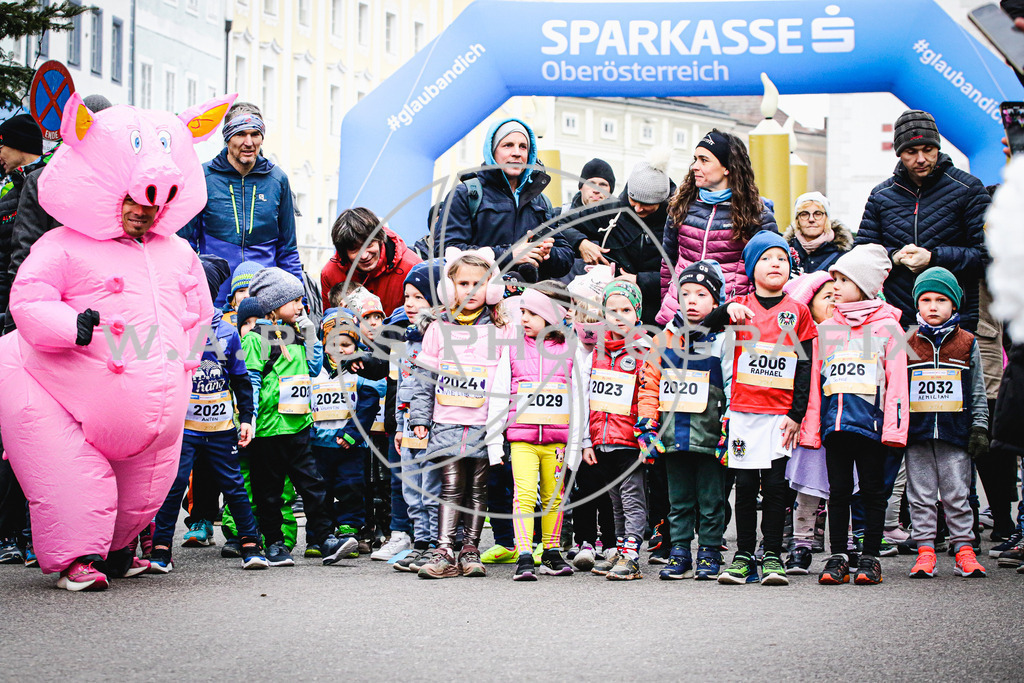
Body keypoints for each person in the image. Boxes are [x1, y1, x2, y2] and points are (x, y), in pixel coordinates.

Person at [0, 93, 231, 590]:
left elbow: (197, 309)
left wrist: (184, 356)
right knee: (72, 473)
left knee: (149, 472)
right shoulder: (62, 243)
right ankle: (76, 558)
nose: (143, 213)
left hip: (147, 391)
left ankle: (120, 547)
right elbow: (30, 297)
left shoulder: (178, 252)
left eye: (153, 205)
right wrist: (70, 326)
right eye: (133, 202)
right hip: (52, 384)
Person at [148, 255, 268, 573]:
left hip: (220, 427)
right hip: (184, 429)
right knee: (173, 484)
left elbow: (242, 379)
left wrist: (247, 418)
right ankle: (160, 550)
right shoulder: (172, 329)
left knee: (233, 484)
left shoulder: (228, 332)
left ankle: (251, 546)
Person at [803, 244, 909, 586]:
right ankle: (838, 556)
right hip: (835, 425)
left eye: (843, 280)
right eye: (833, 278)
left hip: (872, 426)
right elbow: (817, 383)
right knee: (838, 491)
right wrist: (812, 428)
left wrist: (894, 429)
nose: (834, 286)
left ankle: (871, 556)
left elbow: (897, 384)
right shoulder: (826, 329)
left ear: (863, 286)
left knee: (873, 491)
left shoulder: (887, 328)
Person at [715, 231, 816, 586]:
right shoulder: (741, 306)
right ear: (751, 267)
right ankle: (743, 556)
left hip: (779, 416)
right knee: (744, 486)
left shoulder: (798, 312)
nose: (776, 264)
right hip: (744, 413)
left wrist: (796, 414)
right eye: (767, 259)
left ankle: (772, 553)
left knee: (774, 487)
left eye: (783, 259)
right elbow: (700, 324)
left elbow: (804, 367)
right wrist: (726, 308)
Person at [408, 248, 509, 579]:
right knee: (451, 485)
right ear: (449, 288)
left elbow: (513, 377)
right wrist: (419, 419)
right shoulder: (438, 329)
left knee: (479, 489)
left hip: (484, 423)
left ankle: (471, 548)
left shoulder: (502, 327)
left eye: (479, 283)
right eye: (463, 283)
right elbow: (424, 379)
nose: (470, 290)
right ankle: (444, 549)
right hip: (447, 421)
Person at [241, 267, 349, 567]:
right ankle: (274, 543)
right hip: (268, 429)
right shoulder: (256, 338)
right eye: (295, 301)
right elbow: (251, 378)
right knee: (269, 491)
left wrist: (311, 335)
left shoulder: (298, 334)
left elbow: (315, 369)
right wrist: (248, 418)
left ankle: (325, 538)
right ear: (274, 305)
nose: (301, 306)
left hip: (299, 425)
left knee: (313, 485)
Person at [638, 261, 731, 581]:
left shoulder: (724, 340)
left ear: (716, 302)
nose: (692, 300)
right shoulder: (663, 340)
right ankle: (679, 550)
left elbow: (733, 387)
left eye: (701, 294)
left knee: (711, 499)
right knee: (677, 499)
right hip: (673, 435)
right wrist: (647, 427)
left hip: (710, 437)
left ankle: (708, 550)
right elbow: (649, 385)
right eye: (685, 293)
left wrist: (728, 431)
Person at [855, 110, 990, 332]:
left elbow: (987, 256)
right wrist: (894, 257)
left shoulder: (969, 189)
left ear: (938, 148)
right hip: (897, 322)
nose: (920, 159)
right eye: (911, 151)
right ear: (899, 153)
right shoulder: (881, 195)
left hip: (959, 321)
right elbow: (862, 254)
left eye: (928, 150)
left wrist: (933, 258)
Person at [490, 285, 583, 580]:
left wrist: (577, 446)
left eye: (531, 313)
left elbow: (579, 397)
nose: (524, 318)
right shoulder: (513, 349)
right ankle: (525, 554)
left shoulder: (571, 350)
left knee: (554, 497)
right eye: (523, 313)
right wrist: (494, 442)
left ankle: (552, 552)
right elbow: (500, 392)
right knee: (524, 495)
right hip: (522, 440)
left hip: (557, 441)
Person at [905, 267, 989, 578]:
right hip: (918, 433)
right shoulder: (907, 340)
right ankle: (925, 549)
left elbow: (978, 388)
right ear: (917, 305)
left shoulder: (967, 342)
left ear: (954, 305)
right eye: (926, 299)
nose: (933, 306)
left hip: (956, 433)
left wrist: (979, 426)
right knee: (921, 493)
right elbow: (896, 389)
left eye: (941, 299)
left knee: (957, 493)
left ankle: (963, 549)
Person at [180, 102, 303, 307]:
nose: (249, 142)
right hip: (215, 299)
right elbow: (185, 245)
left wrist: (301, 301)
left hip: (265, 301)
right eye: (240, 134)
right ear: (228, 138)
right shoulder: (203, 177)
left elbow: (287, 249)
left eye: (255, 134)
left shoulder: (278, 180)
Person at [658, 129, 778, 325]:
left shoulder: (756, 213)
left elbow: (769, 272)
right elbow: (668, 262)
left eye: (704, 160)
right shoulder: (681, 205)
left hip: (730, 318)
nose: (695, 166)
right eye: (695, 159)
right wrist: (667, 302)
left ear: (727, 168)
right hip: (679, 316)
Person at [434, 118, 573, 281]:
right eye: (508, 145)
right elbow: (446, 251)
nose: (517, 153)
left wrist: (547, 253)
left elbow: (566, 258)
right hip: (479, 300)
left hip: (528, 303)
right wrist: (509, 255)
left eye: (523, 147)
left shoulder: (541, 201)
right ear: (492, 151)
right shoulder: (466, 194)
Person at [557, 152, 675, 326]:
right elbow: (563, 223)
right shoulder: (612, 210)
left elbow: (679, 271)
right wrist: (581, 243)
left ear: (662, 200)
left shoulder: (676, 220)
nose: (637, 208)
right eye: (633, 199)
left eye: (646, 205)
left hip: (656, 313)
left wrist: (640, 280)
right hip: (611, 311)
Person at [309, 308, 375, 560]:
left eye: (346, 344)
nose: (340, 349)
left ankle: (349, 530)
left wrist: (352, 434)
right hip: (320, 443)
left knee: (351, 486)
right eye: (333, 343)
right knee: (319, 489)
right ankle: (317, 536)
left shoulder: (360, 372)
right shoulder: (315, 371)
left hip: (350, 445)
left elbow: (368, 405)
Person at [781, 270, 835, 574]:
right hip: (811, 426)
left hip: (842, 423)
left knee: (846, 489)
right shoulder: (802, 340)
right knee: (808, 491)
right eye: (826, 298)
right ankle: (800, 546)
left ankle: (849, 545)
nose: (834, 302)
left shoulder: (850, 334)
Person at [392, 261, 445, 572]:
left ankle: (439, 544)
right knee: (411, 489)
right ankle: (420, 542)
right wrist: (401, 425)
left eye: (418, 297)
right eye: (406, 296)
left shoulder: (442, 336)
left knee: (432, 488)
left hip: (435, 426)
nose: (409, 304)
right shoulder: (407, 339)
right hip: (410, 426)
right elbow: (404, 387)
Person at [320, 207, 422, 316]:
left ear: (379, 239)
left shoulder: (413, 268)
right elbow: (329, 322)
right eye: (354, 249)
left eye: (369, 244)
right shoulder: (330, 273)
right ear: (343, 252)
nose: (364, 255)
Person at [783, 192, 853, 274]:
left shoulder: (844, 253)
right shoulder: (785, 252)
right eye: (804, 214)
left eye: (818, 214)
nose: (811, 219)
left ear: (826, 218)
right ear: (797, 220)